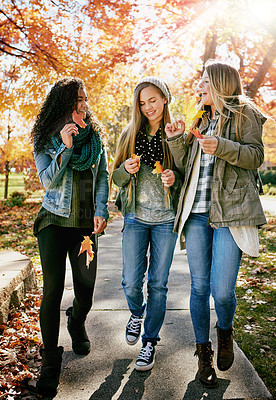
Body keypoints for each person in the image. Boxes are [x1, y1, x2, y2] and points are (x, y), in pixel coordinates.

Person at [165, 60, 267, 387]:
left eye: (206, 82)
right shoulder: (202, 119)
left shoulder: (244, 114)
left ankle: (224, 331)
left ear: (221, 83)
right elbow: (188, 168)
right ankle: (203, 354)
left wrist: (222, 147)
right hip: (197, 214)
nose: (201, 87)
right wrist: (177, 140)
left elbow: (255, 156)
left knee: (222, 291)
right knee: (198, 286)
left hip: (230, 213)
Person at [31, 77, 109, 395]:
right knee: (52, 290)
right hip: (52, 223)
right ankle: (50, 364)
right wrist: (65, 146)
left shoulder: (95, 138)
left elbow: (102, 175)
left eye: (85, 98)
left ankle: (76, 321)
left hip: (84, 228)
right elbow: (47, 181)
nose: (84, 103)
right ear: (64, 104)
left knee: (86, 289)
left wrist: (101, 209)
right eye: (78, 99)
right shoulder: (45, 138)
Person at [111, 76, 181, 371]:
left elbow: (187, 175)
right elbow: (115, 178)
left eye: (153, 100)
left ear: (164, 98)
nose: (148, 107)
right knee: (130, 282)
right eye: (142, 102)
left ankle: (150, 341)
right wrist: (125, 170)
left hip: (166, 219)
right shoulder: (130, 134)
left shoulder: (176, 133)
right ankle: (136, 313)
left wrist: (174, 179)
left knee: (158, 285)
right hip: (136, 217)